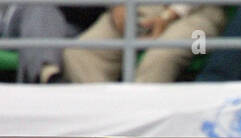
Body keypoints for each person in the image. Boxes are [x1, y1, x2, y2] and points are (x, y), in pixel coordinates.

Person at [62, 4, 226, 83]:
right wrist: (117, 5)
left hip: (199, 11)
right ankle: (107, 124)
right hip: (141, 5)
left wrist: (168, 16)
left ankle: (141, 136)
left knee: (161, 56)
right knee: (80, 53)